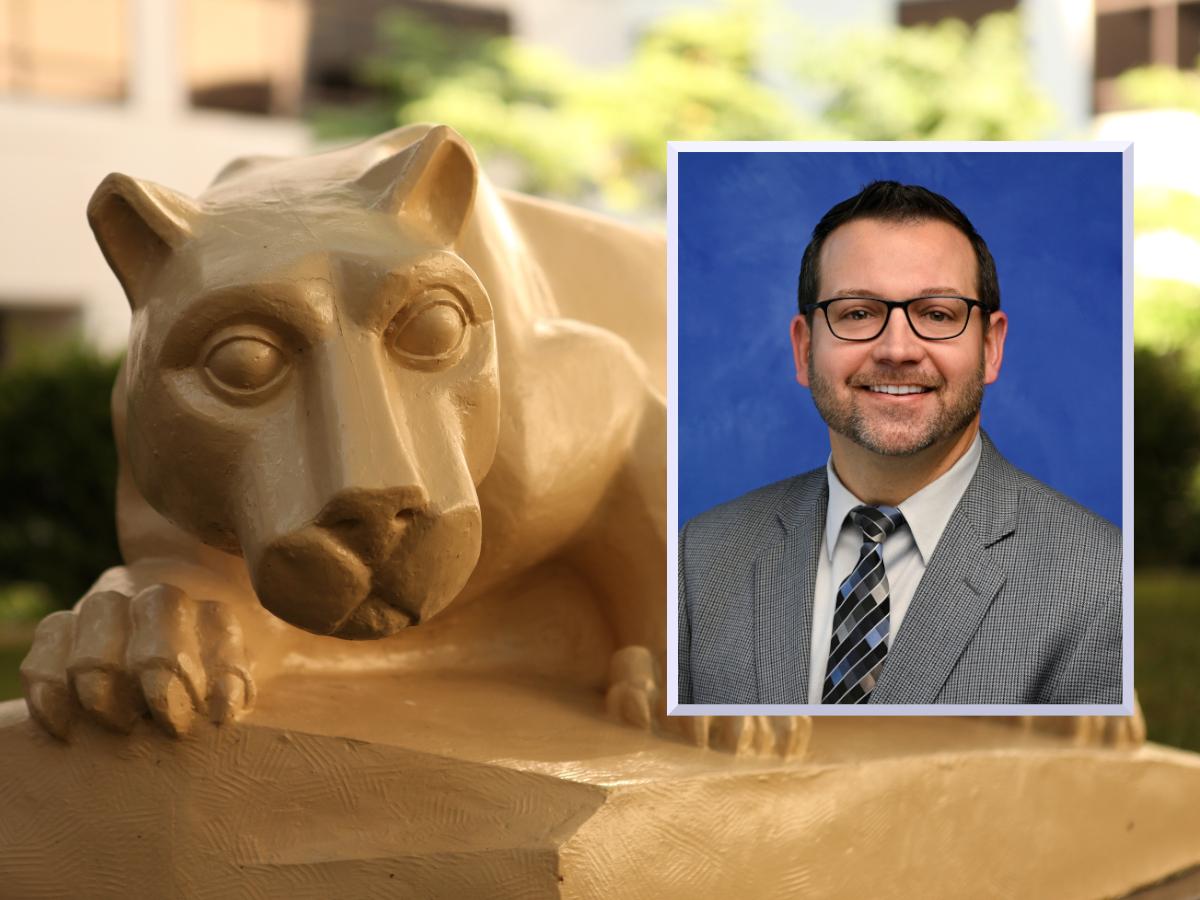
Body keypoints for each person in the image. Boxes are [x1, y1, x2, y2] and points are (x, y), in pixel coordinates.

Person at [677, 180, 1121, 706]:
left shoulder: (1101, 581)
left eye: (937, 314)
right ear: (804, 348)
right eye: (858, 313)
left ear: (991, 346)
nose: (897, 349)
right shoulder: (701, 556)